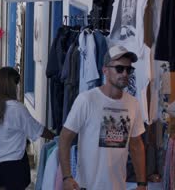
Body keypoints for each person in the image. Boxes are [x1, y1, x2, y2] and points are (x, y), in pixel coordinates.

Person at [59, 45, 147, 190]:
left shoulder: (133, 104)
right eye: (119, 68)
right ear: (105, 70)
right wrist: (67, 177)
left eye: (129, 69)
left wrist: (142, 184)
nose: (125, 73)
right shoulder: (87, 100)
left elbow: (136, 145)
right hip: (88, 186)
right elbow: (65, 138)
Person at [0, 67, 55, 190]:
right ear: (12, 85)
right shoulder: (17, 108)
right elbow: (37, 130)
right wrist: (56, 136)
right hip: (14, 163)